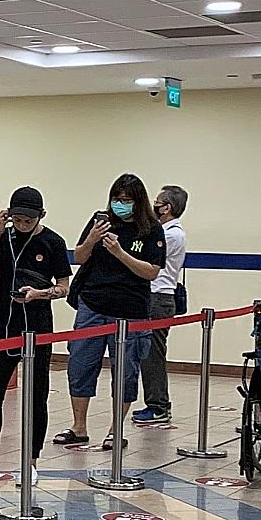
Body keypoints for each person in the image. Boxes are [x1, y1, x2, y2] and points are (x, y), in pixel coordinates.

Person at [0, 187, 71, 487]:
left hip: (38, 328)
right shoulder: (6, 238)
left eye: (28, 221)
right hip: (5, 326)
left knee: (37, 397)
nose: (22, 225)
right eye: (17, 219)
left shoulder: (53, 242)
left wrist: (40, 293)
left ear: (41, 216)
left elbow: (64, 287)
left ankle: (31, 463)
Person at [54, 174, 165, 450]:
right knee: (80, 365)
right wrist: (92, 238)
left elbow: (151, 271)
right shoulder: (100, 221)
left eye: (126, 200)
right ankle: (79, 426)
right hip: (92, 305)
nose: (120, 204)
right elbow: (79, 257)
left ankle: (116, 429)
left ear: (138, 202)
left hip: (130, 311)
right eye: (117, 199)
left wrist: (120, 253)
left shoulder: (151, 229)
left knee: (125, 371)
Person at [134, 185, 188, 425]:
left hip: (159, 298)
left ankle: (158, 406)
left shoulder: (171, 235)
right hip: (152, 296)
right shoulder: (162, 231)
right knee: (146, 354)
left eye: (157, 202)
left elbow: (146, 258)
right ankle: (154, 402)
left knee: (153, 355)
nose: (153, 206)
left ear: (167, 208)